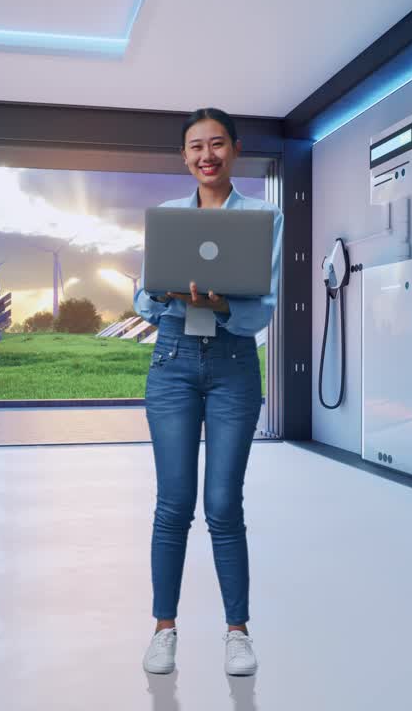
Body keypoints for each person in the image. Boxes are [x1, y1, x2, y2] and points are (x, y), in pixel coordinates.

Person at [134, 108, 283, 677]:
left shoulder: (264, 216)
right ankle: (163, 631)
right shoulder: (169, 219)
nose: (207, 155)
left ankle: (237, 633)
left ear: (235, 149)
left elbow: (263, 309)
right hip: (172, 361)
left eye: (217, 144)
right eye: (196, 146)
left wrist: (222, 306)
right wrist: (162, 291)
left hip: (233, 363)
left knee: (223, 505)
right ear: (184, 156)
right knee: (173, 504)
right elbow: (142, 301)